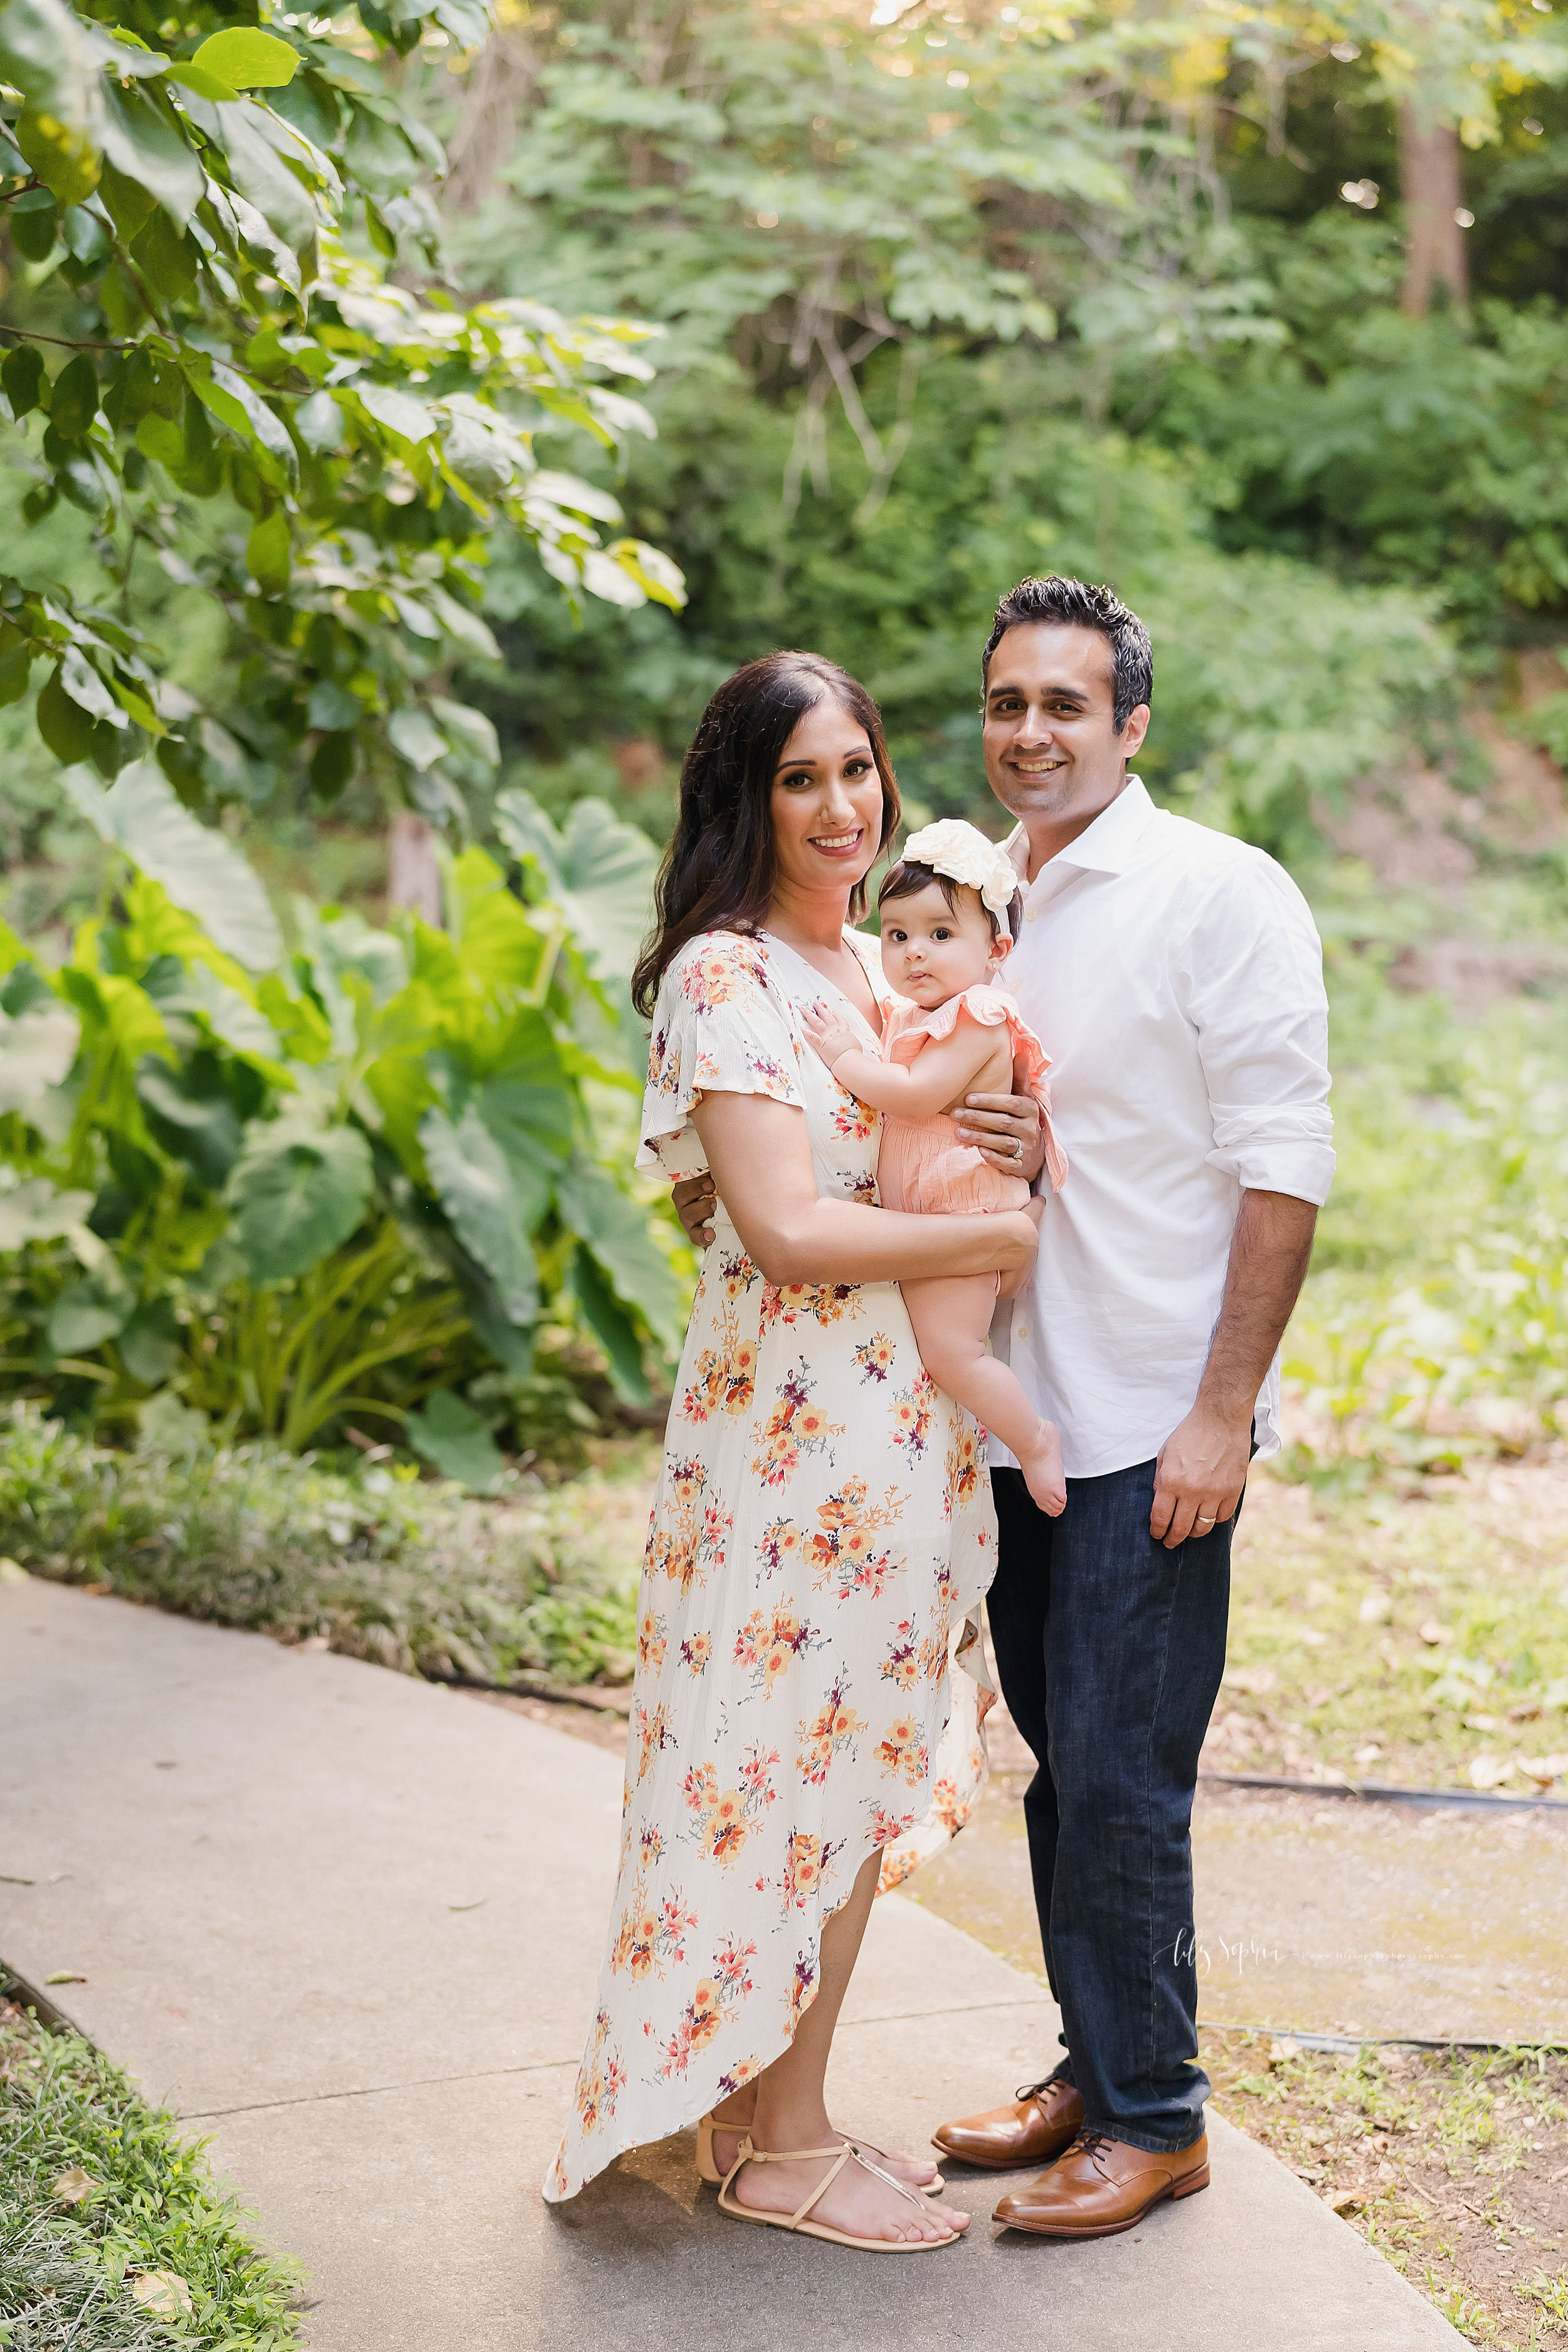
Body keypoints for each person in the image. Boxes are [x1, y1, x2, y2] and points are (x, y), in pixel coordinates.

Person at [673, 577, 1333, 2241]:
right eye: (1001, 702)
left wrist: (1222, 1412)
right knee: (1056, 1763)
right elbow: (927, 1107)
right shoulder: (968, 902)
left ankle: (1151, 2116)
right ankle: (1093, 2056)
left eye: (1062, 702)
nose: (1027, 728)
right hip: (985, 1416)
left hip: (1138, 1419)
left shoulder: (1212, 894)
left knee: (1120, 1775)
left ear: (1130, 724)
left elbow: (1286, 1164)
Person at [544, 650, 1041, 2250]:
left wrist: (1004, 1149)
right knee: (774, 1776)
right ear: (743, 800)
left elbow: (912, 1140)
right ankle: (779, 2147)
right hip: (789, 1454)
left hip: (890, 1446)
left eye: (857, 771)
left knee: (822, 1779)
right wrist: (994, 1227)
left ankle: (773, 2113)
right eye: (800, 779)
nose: (841, 809)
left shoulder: (871, 973)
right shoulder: (727, 975)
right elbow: (784, 1223)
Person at [800, 820, 1069, 1515]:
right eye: (897, 935)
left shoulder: (980, 1012)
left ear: (996, 949)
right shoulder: (915, 1011)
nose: (915, 953)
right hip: (931, 1221)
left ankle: (1034, 1439)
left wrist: (844, 1061)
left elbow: (918, 1096)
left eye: (940, 935)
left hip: (960, 1218)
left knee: (952, 1357)